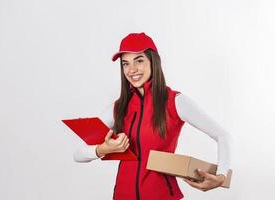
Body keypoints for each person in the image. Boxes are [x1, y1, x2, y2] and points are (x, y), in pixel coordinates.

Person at [73, 32, 231, 200]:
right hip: (122, 196)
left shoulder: (175, 102)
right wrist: (102, 149)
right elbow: (78, 154)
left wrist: (221, 176)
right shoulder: (119, 107)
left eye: (139, 60)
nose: (131, 70)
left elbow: (223, 135)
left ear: (153, 62)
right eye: (125, 63)